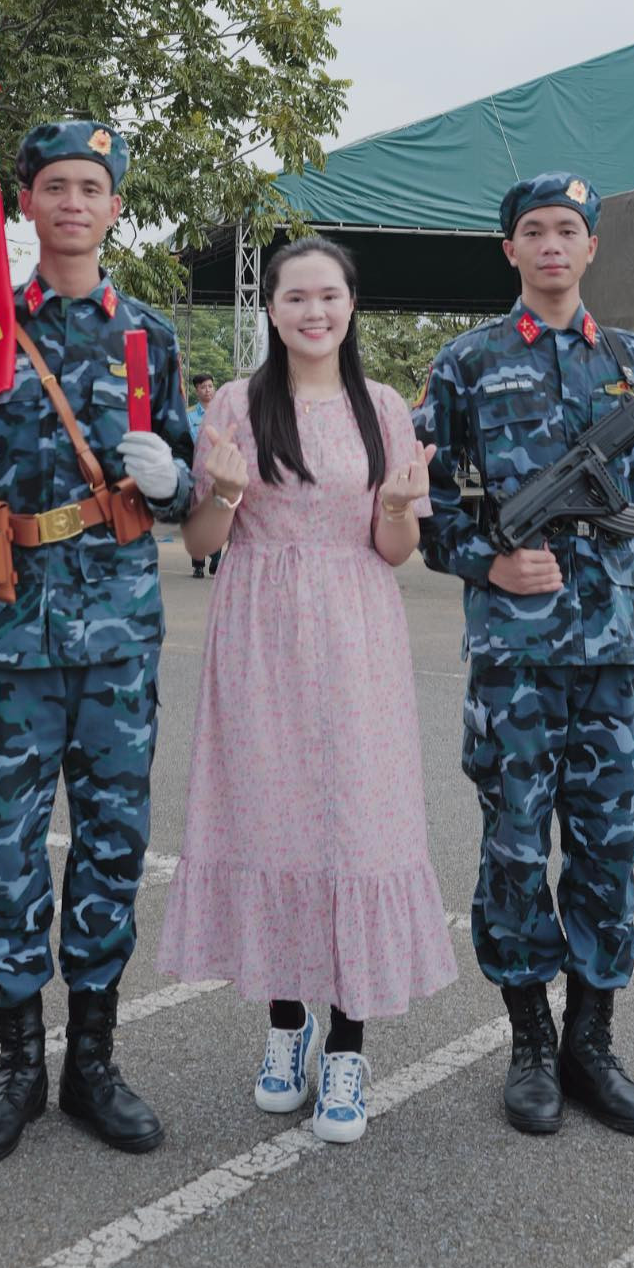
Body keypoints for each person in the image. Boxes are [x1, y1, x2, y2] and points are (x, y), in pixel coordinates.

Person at [0, 121, 194, 1165]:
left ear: (115, 207)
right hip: (7, 634)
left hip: (116, 639)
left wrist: (173, 482)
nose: (73, 203)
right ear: (24, 202)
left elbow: (186, 485)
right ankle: (19, 1067)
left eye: (91, 188)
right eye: (55, 186)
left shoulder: (149, 336)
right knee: (9, 852)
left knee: (112, 843)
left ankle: (92, 1064)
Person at [157, 237, 457, 1144]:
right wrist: (222, 492)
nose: (313, 311)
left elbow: (393, 550)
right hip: (258, 633)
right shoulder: (236, 404)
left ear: (351, 305)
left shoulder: (384, 407)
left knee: (357, 827)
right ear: (273, 310)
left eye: (329, 296)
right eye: (296, 297)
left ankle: (348, 1049)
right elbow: (201, 543)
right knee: (271, 819)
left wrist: (398, 505)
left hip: (358, 633)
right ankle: (286, 1028)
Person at [421, 173, 634, 1140]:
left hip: (615, 644)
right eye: (533, 231)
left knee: (608, 847)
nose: (550, 245)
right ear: (510, 249)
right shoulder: (466, 362)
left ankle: (592, 1043)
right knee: (516, 845)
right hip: (517, 654)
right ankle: (531, 1042)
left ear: (590, 246)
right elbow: (425, 503)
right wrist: (488, 559)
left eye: (567, 230)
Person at [186, 373, 222, 577]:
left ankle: (216, 558)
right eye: (203, 387)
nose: (207, 390)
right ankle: (198, 564)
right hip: (197, 474)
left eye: (210, 386)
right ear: (196, 390)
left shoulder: (223, 414)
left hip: (217, 473)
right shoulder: (190, 416)